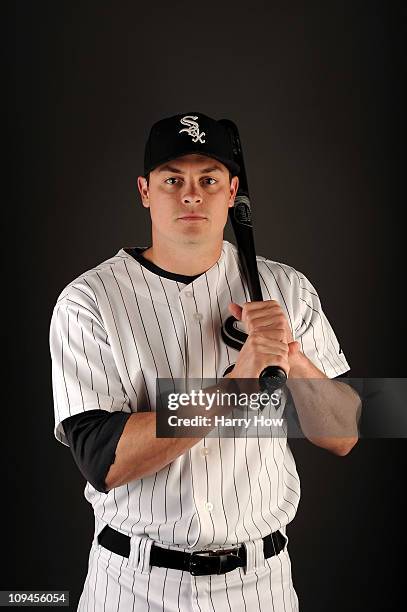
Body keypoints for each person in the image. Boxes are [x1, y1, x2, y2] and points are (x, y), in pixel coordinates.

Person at [49, 111, 359, 611]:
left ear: (232, 191)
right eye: (173, 179)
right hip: (133, 584)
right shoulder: (89, 300)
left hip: (262, 585)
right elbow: (104, 459)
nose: (191, 194)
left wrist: (293, 357)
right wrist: (237, 382)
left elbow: (345, 433)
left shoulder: (287, 291)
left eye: (208, 179)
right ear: (144, 191)